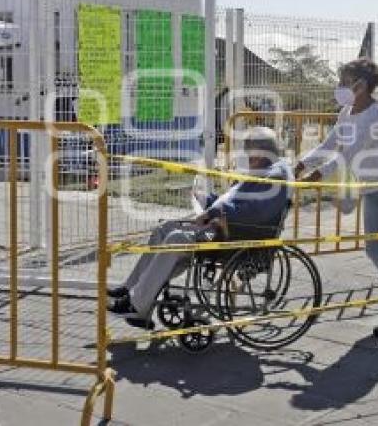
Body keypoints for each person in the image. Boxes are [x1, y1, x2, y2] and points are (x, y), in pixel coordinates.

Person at [108, 127, 292, 329]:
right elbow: (238, 204)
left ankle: (137, 304)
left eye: (250, 152)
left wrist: (214, 212)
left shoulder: (276, 177)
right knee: (164, 229)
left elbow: (254, 213)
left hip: (235, 237)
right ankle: (131, 289)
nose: (247, 157)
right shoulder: (266, 171)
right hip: (227, 229)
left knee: (176, 239)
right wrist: (207, 200)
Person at [295, 58, 378, 338]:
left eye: (343, 81)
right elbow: (330, 144)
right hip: (373, 187)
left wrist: (319, 175)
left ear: (361, 85)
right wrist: (303, 163)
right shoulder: (347, 112)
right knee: (373, 249)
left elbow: (349, 154)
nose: (339, 86)